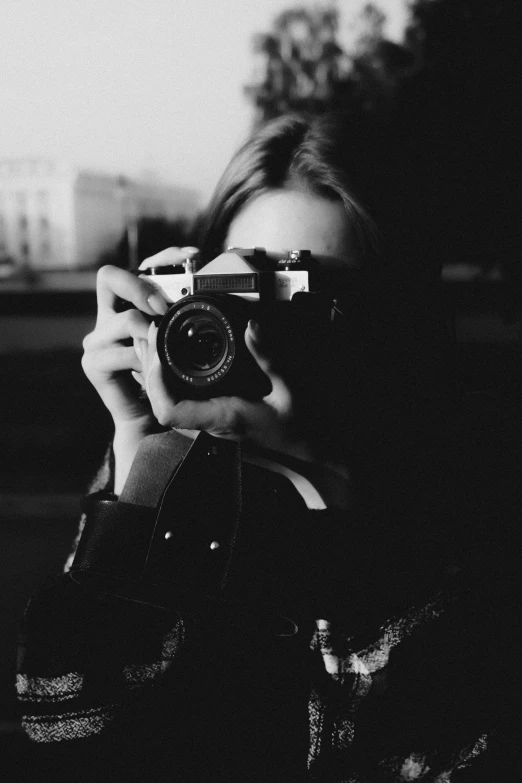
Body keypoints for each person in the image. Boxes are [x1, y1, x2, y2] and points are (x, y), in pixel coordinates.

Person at [16, 114, 518, 782]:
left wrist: (325, 494)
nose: (263, 333)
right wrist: (139, 471)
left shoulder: (475, 470)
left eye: (304, 295)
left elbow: (453, 755)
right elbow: (62, 734)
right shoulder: (170, 459)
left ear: (397, 316)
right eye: (245, 294)